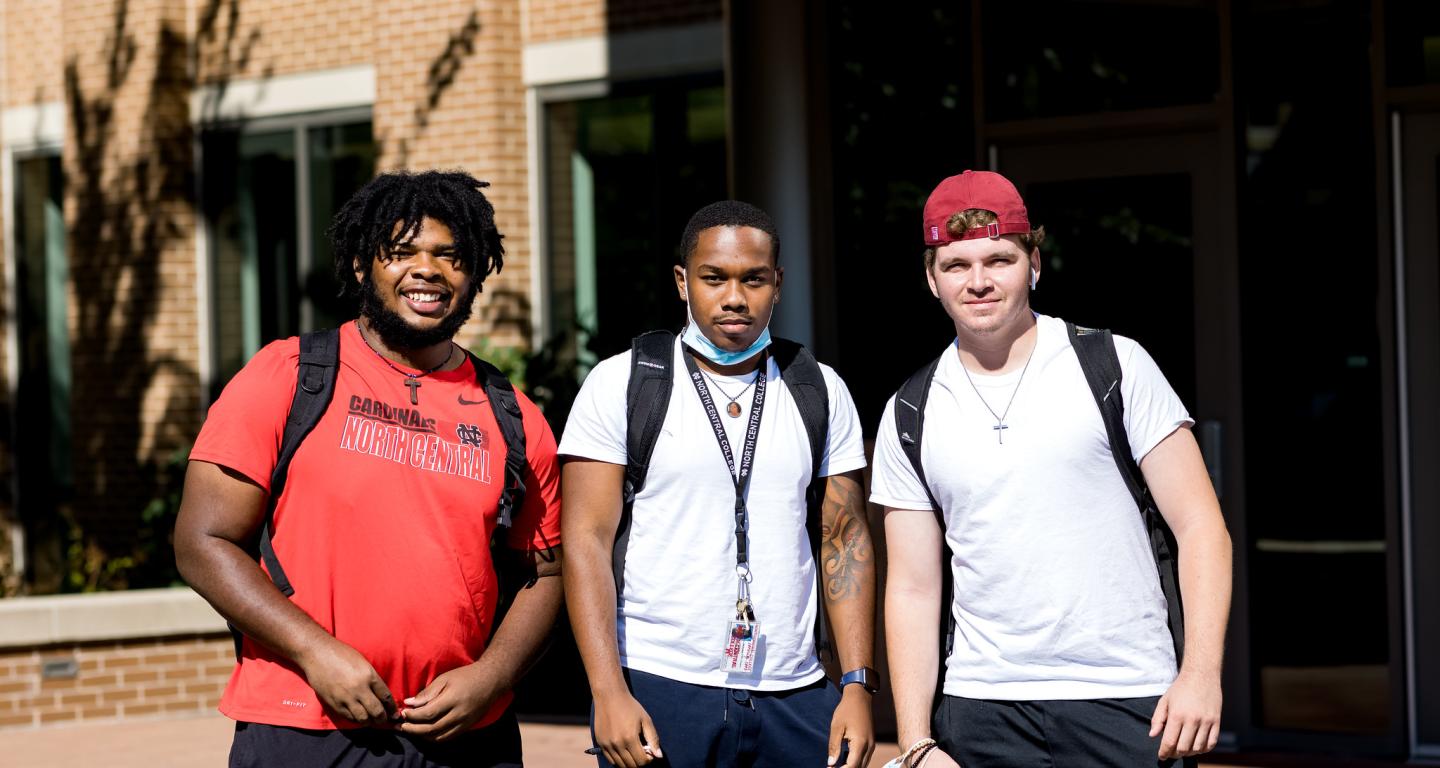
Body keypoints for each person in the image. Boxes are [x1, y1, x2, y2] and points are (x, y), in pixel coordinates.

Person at [175, 170, 563, 768]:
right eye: (402, 252)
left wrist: (492, 677)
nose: (427, 269)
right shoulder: (289, 376)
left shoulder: (512, 413)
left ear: (476, 272)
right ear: (362, 265)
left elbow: (546, 572)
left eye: (451, 256)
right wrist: (314, 652)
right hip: (304, 723)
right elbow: (203, 541)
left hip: (464, 735)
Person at [873, 170, 1232, 768]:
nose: (979, 281)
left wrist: (1200, 675)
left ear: (1033, 264)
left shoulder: (1115, 365)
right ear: (931, 278)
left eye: (999, 260)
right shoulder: (911, 409)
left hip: (1128, 698)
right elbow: (911, 586)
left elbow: (1202, 528)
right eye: (957, 265)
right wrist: (915, 741)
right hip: (982, 708)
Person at [560, 201, 878, 768]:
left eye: (753, 279)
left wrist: (856, 685)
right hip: (659, 687)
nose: (735, 297)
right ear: (683, 282)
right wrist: (608, 692)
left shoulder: (819, 388)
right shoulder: (622, 382)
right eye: (715, 278)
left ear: (777, 284)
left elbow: (844, 539)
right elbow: (584, 541)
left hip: (796, 691)